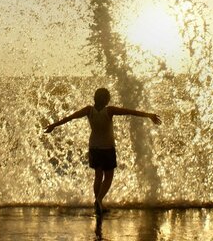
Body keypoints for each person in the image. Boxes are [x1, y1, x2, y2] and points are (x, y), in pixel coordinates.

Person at [44, 87, 161, 215]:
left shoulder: (89, 110)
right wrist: (149, 115)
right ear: (106, 99)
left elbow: (70, 118)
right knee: (108, 177)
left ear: (95, 98)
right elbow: (130, 112)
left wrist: (53, 126)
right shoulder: (109, 111)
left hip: (94, 148)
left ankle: (98, 202)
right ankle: (99, 200)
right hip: (107, 148)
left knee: (98, 176)